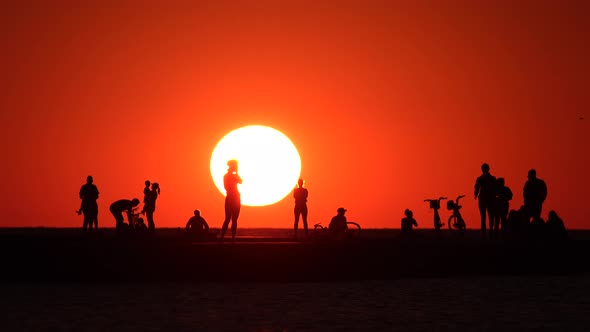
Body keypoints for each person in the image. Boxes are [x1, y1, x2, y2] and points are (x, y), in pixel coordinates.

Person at [220, 160, 242, 242]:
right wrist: (236, 174)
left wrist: (236, 173)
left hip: (234, 197)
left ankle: (231, 237)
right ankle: (224, 236)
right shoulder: (228, 176)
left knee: (233, 219)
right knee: (229, 219)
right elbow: (239, 182)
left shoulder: (231, 176)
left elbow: (241, 181)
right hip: (232, 198)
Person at [474, 163, 496, 235]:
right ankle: (490, 231)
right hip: (489, 199)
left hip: (484, 199)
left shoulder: (480, 178)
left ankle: (485, 232)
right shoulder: (492, 178)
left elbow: (477, 188)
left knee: (484, 216)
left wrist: (475, 195)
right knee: (490, 215)